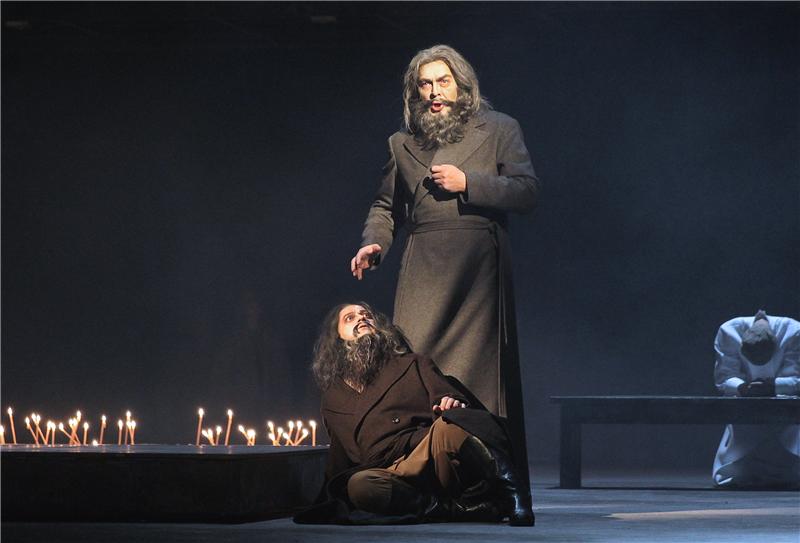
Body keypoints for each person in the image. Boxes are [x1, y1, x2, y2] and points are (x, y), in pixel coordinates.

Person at [348, 44, 539, 490]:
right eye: (425, 84)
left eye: (443, 81)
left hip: (478, 269)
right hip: (424, 268)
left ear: (462, 85)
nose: (434, 92)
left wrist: (468, 182)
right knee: (416, 369)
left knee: (478, 380)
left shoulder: (499, 128)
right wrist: (374, 243)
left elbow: (527, 192)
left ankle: (490, 484)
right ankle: (425, 482)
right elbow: (385, 206)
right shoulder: (401, 144)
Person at [294, 302, 534, 525]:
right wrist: (328, 498)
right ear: (337, 336)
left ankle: (514, 494)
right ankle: (455, 509)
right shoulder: (333, 396)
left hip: (427, 455)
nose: (362, 318)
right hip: (388, 471)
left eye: (367, 315)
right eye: (350, 318)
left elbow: (447, 394)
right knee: (359, 485)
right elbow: (339, 455)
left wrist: (450, 401)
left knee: (451, 425)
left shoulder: (412, 364)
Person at [712, 310, 800, 488]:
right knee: (746, 431)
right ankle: (742, 471)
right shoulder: (729, 331)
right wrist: (742, 387)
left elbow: (795, 376)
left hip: (784, 401)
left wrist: (773, 386)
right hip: (744, 401)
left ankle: (783, 472)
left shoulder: (794, 331)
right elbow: (725, 375)